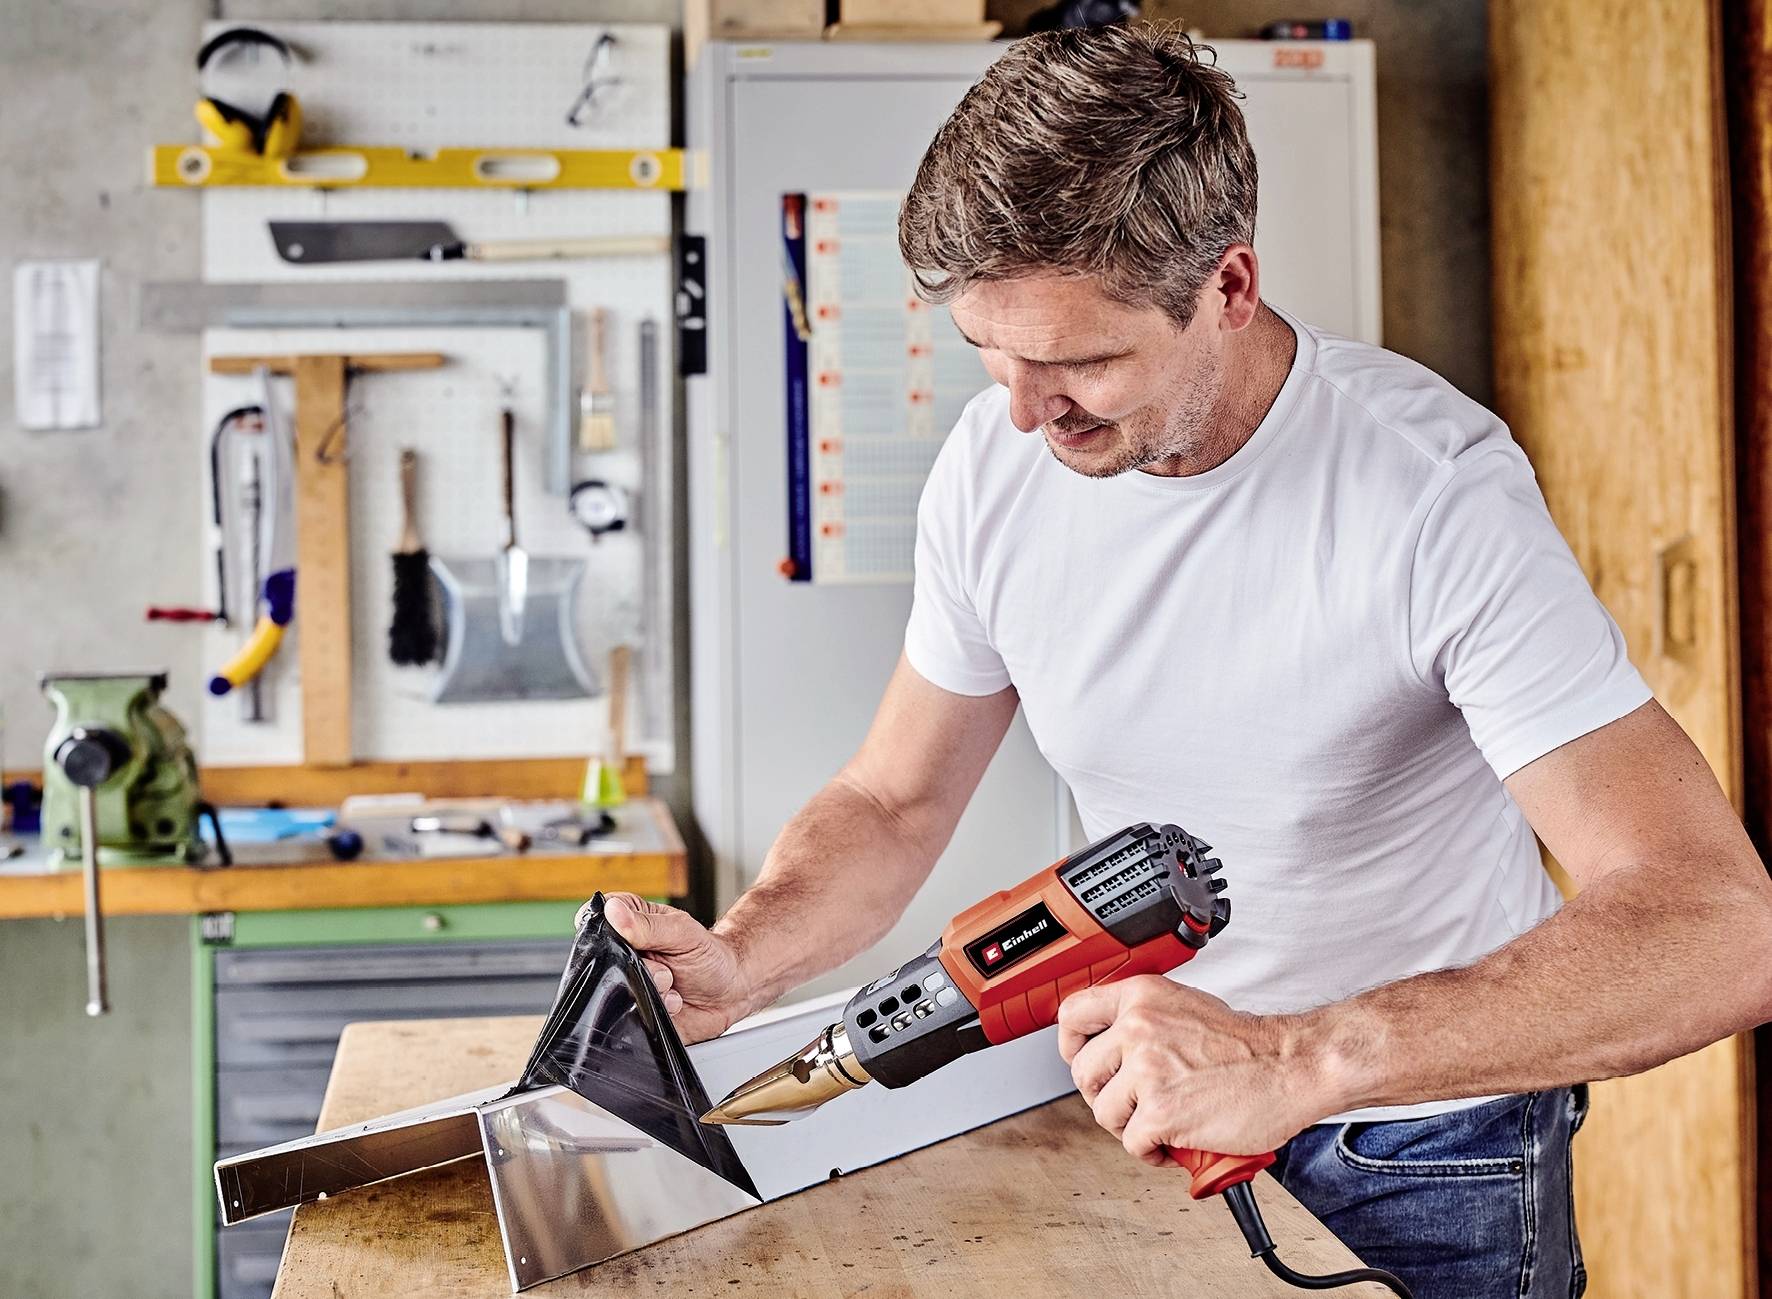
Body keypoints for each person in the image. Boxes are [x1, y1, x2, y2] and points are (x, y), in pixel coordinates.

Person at [588, 25, 1772, 1295]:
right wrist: (747, 952)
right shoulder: (995, 474)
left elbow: (1718, 927)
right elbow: (894, 800)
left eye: (1084, 363)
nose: (1029, 414)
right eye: (993, 357)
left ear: (1230, 285)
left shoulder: (1429, 497)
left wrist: (1294, 1060)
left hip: (1420, 1147)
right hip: (1135, 1121)